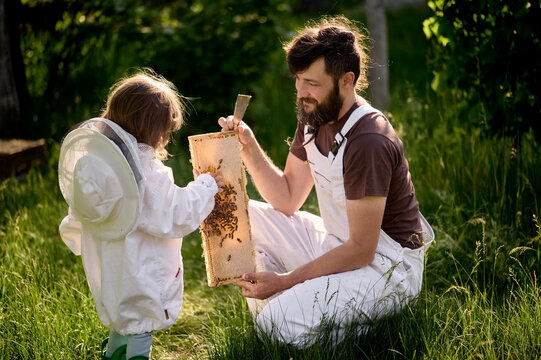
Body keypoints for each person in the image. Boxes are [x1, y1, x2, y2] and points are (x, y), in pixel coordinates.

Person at [218, 16, 434, 347]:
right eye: (298, 80)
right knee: (238, 215)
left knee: (276, 326)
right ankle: (290, 311)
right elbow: (288, 198)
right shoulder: (314, 116)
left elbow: (363, 249)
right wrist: (248, 148)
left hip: (385, 269)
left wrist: (287, 281)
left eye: (312, 83)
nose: (302, 92)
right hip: (339, 243)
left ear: (346, 80)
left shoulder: (368, 140)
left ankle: (374, 326)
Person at [58, 70, 223, 360]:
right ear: (153, 130)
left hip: (111, 268)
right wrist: (207, 186)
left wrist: (75, 235)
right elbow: (176, 212)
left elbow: (79, 213)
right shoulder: (146, 174)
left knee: (124, 319)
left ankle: (113, 355)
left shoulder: (93, 165)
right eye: (165, 132)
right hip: (142, 269)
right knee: (141, 325)